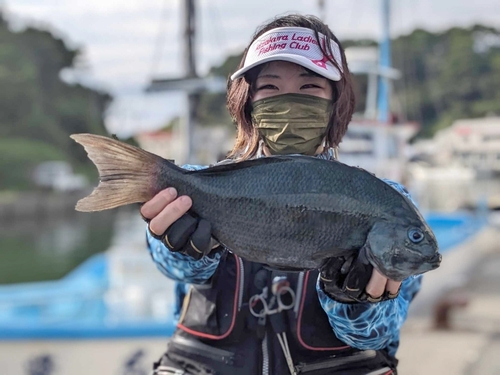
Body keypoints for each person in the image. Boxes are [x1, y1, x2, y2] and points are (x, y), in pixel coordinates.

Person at [140, 14, 422, 375]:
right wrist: (183, 248)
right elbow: (174, 267)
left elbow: (376, 333)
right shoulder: (195, 184)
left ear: (337, 101)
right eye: (270, 88)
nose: (289, 102)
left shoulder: (389, 202)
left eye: (309, 88)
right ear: (248, 102)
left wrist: (354, 300)